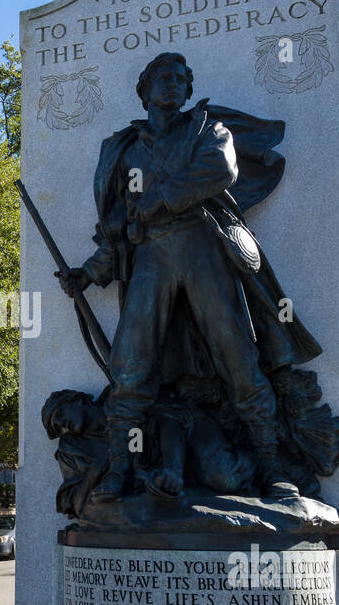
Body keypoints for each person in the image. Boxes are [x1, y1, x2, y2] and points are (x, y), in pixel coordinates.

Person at [60, 52, 320, 501]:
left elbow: (220, 171)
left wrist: (160, 196)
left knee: (238, 354)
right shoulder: (125, 148)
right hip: (151, 255)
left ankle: (273, 466)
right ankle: (120, 469)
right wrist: (90, 273)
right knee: (131, 363)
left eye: (181, 78)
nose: (173, 85)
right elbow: (120, 225)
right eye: (163, 78)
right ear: (144, 89)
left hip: (203, 244)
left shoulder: (206, 129)